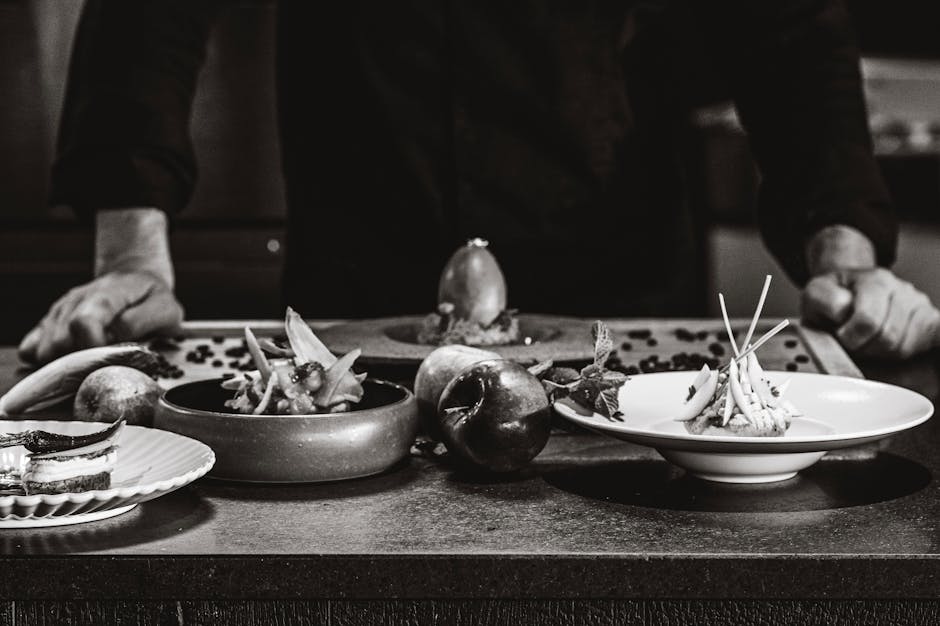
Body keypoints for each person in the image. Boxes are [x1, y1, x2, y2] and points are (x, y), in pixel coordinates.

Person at [19, 0, 940, 363]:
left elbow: (788, 32)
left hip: (616, 299)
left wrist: (845, 254)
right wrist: (131, 255)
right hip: (361, 306)